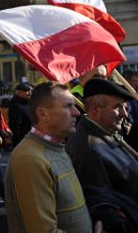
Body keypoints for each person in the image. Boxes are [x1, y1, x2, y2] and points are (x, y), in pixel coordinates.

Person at [6, 81, 92, 232]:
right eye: (68, 106)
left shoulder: (56, 148)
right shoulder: (30, 159)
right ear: (43, 114)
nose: (77, 112)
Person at [66, 78, 138, 231]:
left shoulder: (106, 132)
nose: (124, 113)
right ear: (95, 109)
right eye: (118, 107)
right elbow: (103, 207)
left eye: (125, 107)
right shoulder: (88, 149)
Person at [7, 83, 33, 147]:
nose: (30, 93)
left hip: (30, 139)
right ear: (19, 92)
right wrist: (19, 142)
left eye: (30, 91)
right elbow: (15, 126)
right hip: (22, 141)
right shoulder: (16, 106)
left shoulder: (27, 103)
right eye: (27, 91)